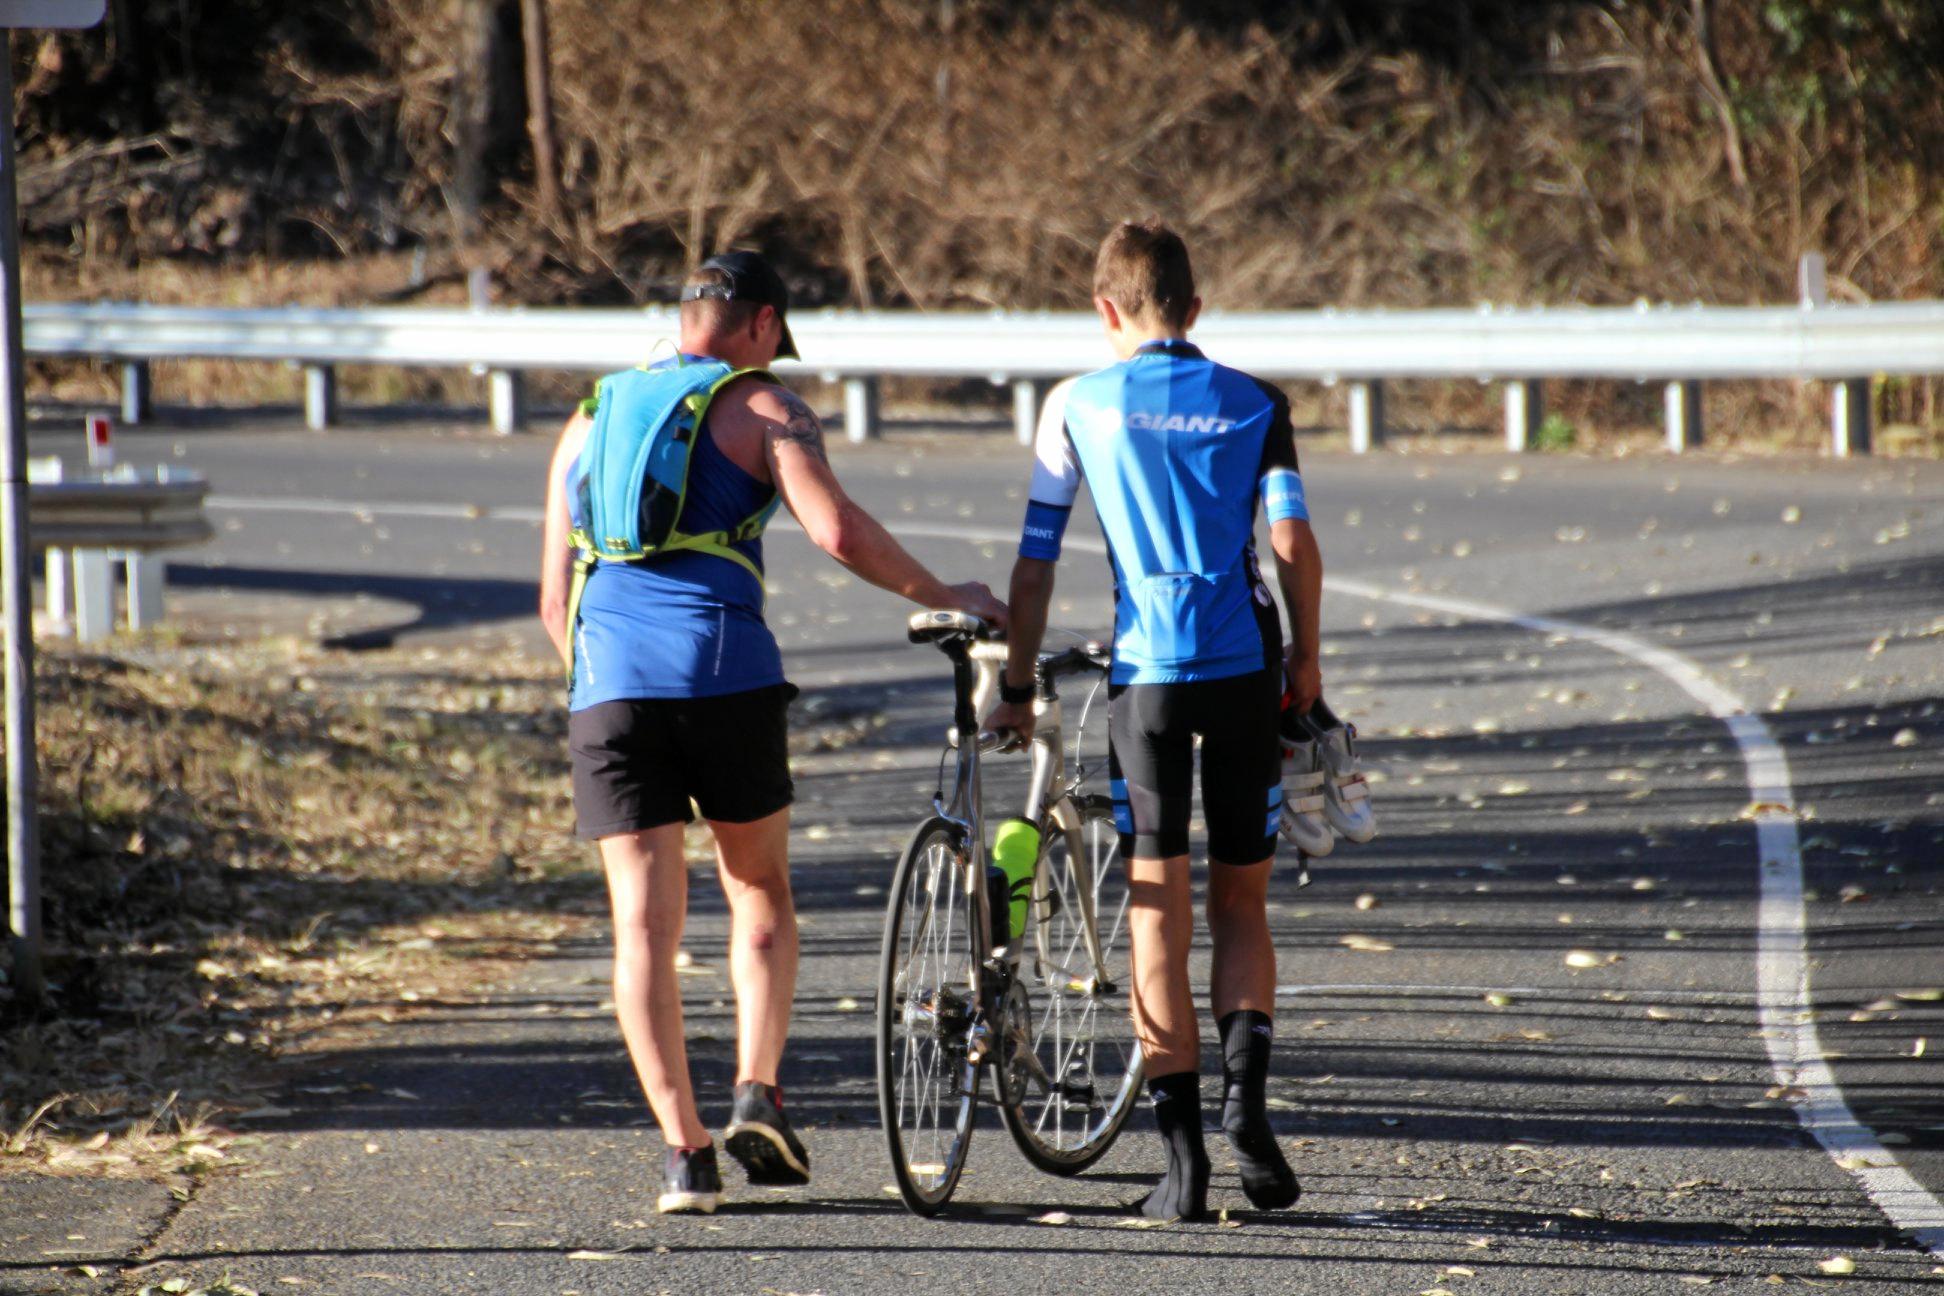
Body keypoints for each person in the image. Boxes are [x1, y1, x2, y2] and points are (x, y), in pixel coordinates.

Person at [539, 250, 1007, 1214]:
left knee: (642, 927)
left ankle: (684, 1155)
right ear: (759, 325)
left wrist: (604, 687)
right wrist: (945, 592)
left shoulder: (589, 415)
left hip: (607, 690)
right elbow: (837, 531)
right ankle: (757, 1087)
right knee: (756, 886)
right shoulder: (764, 407)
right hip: (727, 676)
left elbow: (554, 598)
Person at [985, 221, 1323, 1220]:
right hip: (1245, 667)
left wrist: (1016, 678)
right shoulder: (1257, 402)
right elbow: (1293, 540)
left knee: (1156, 918)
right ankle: (1246, 1111)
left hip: (1150, 679)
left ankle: (1181, 1170)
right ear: (1195, 308)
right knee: (1242, 906)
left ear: (1106, 310)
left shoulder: (1076, 406)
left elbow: (1036, 560)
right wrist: (1306, 658)